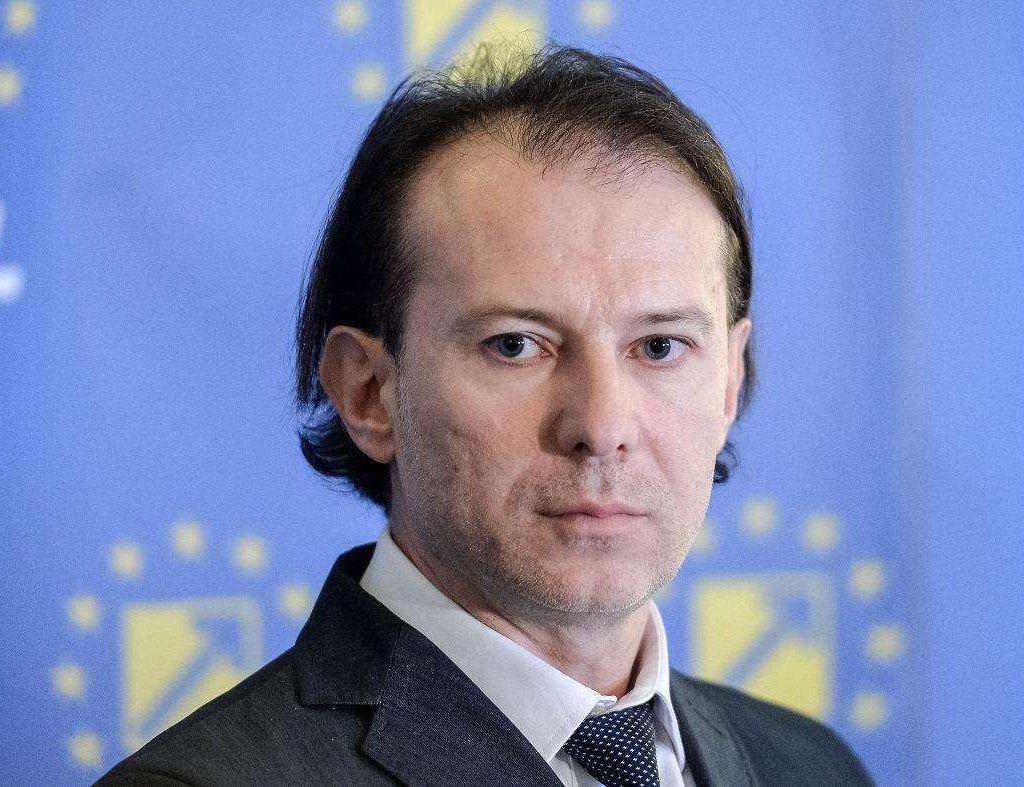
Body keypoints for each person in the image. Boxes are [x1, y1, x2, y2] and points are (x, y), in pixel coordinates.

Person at [98, 44, 872, 787]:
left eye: (661, 346)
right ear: (368, 392)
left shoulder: (810, 765)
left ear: (730, 381)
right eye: (515, 344)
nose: (602, 426)